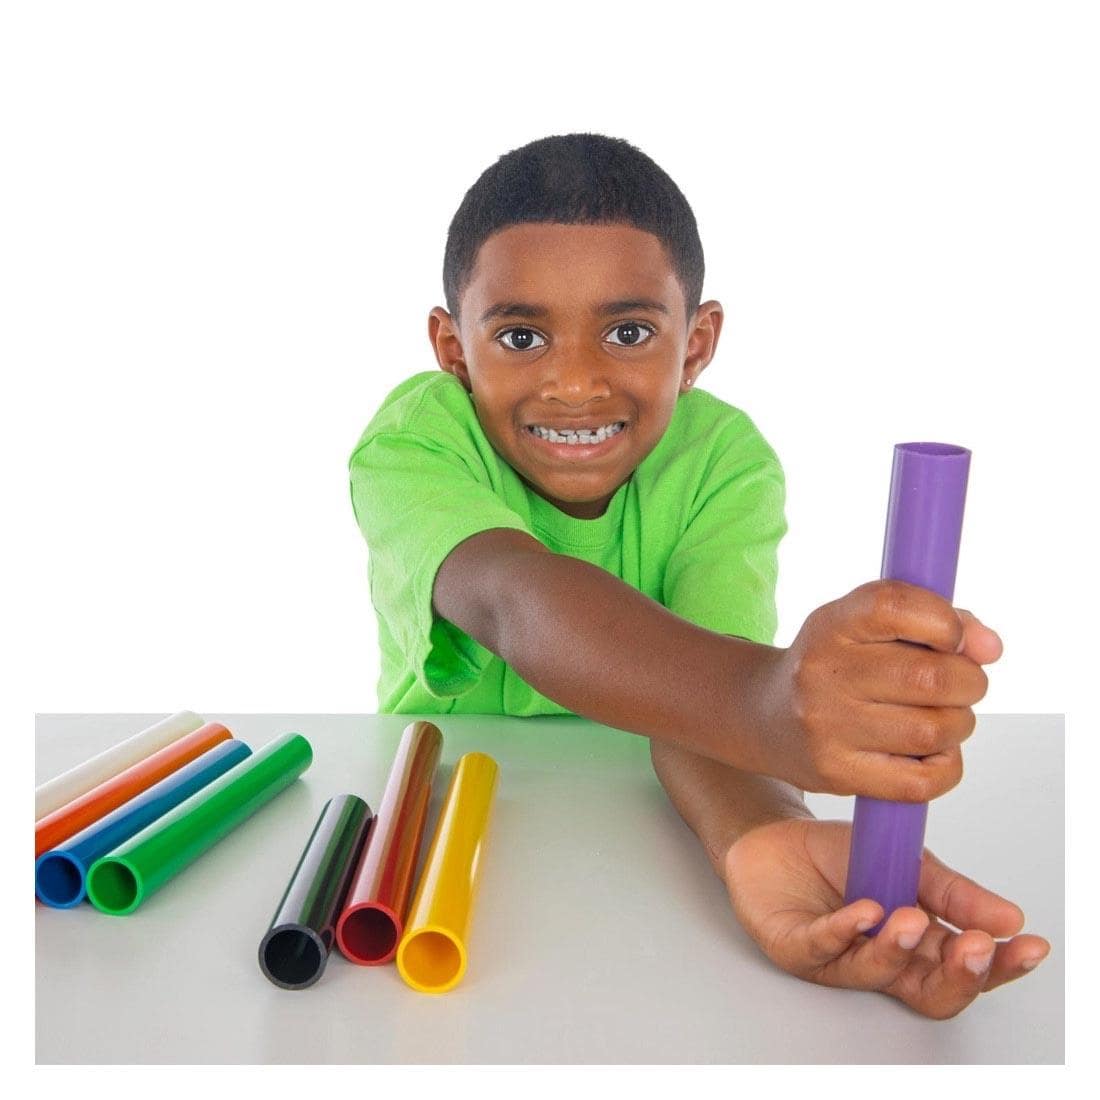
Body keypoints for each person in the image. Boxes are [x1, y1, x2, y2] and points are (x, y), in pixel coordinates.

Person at [348, 132, 1049, 1019]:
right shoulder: (415, 440)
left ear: (698, 341)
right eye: (521, 335)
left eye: (629, 332)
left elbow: (699, 707)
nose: (572, 384)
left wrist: (761, 836)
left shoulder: (723, 459)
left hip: (652, 836)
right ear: (452, 347)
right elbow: (512, 599)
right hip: (431, 829)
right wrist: (766, 703)